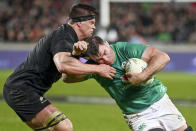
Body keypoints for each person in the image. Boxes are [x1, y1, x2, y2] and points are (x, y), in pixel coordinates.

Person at [3, 4, 116, 131]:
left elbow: (68, 74)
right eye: (91, 22)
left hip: (22, 90)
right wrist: (98, 69)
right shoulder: (63, 36)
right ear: (79, 23)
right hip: (22, 90)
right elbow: (63, 65)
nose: (94, 26)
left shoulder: (73, 40)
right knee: (64, 127)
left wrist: (81, 56)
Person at [63, 36, 192, 131]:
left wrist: (142, 76)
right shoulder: (95, 67)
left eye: (105, 53)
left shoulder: (124, 49)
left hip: (161, 102)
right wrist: (75, 55)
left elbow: (163, 57)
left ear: (107, 44)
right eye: (99, 60)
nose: (105, 60)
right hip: (137, 115)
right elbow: (66, 78)